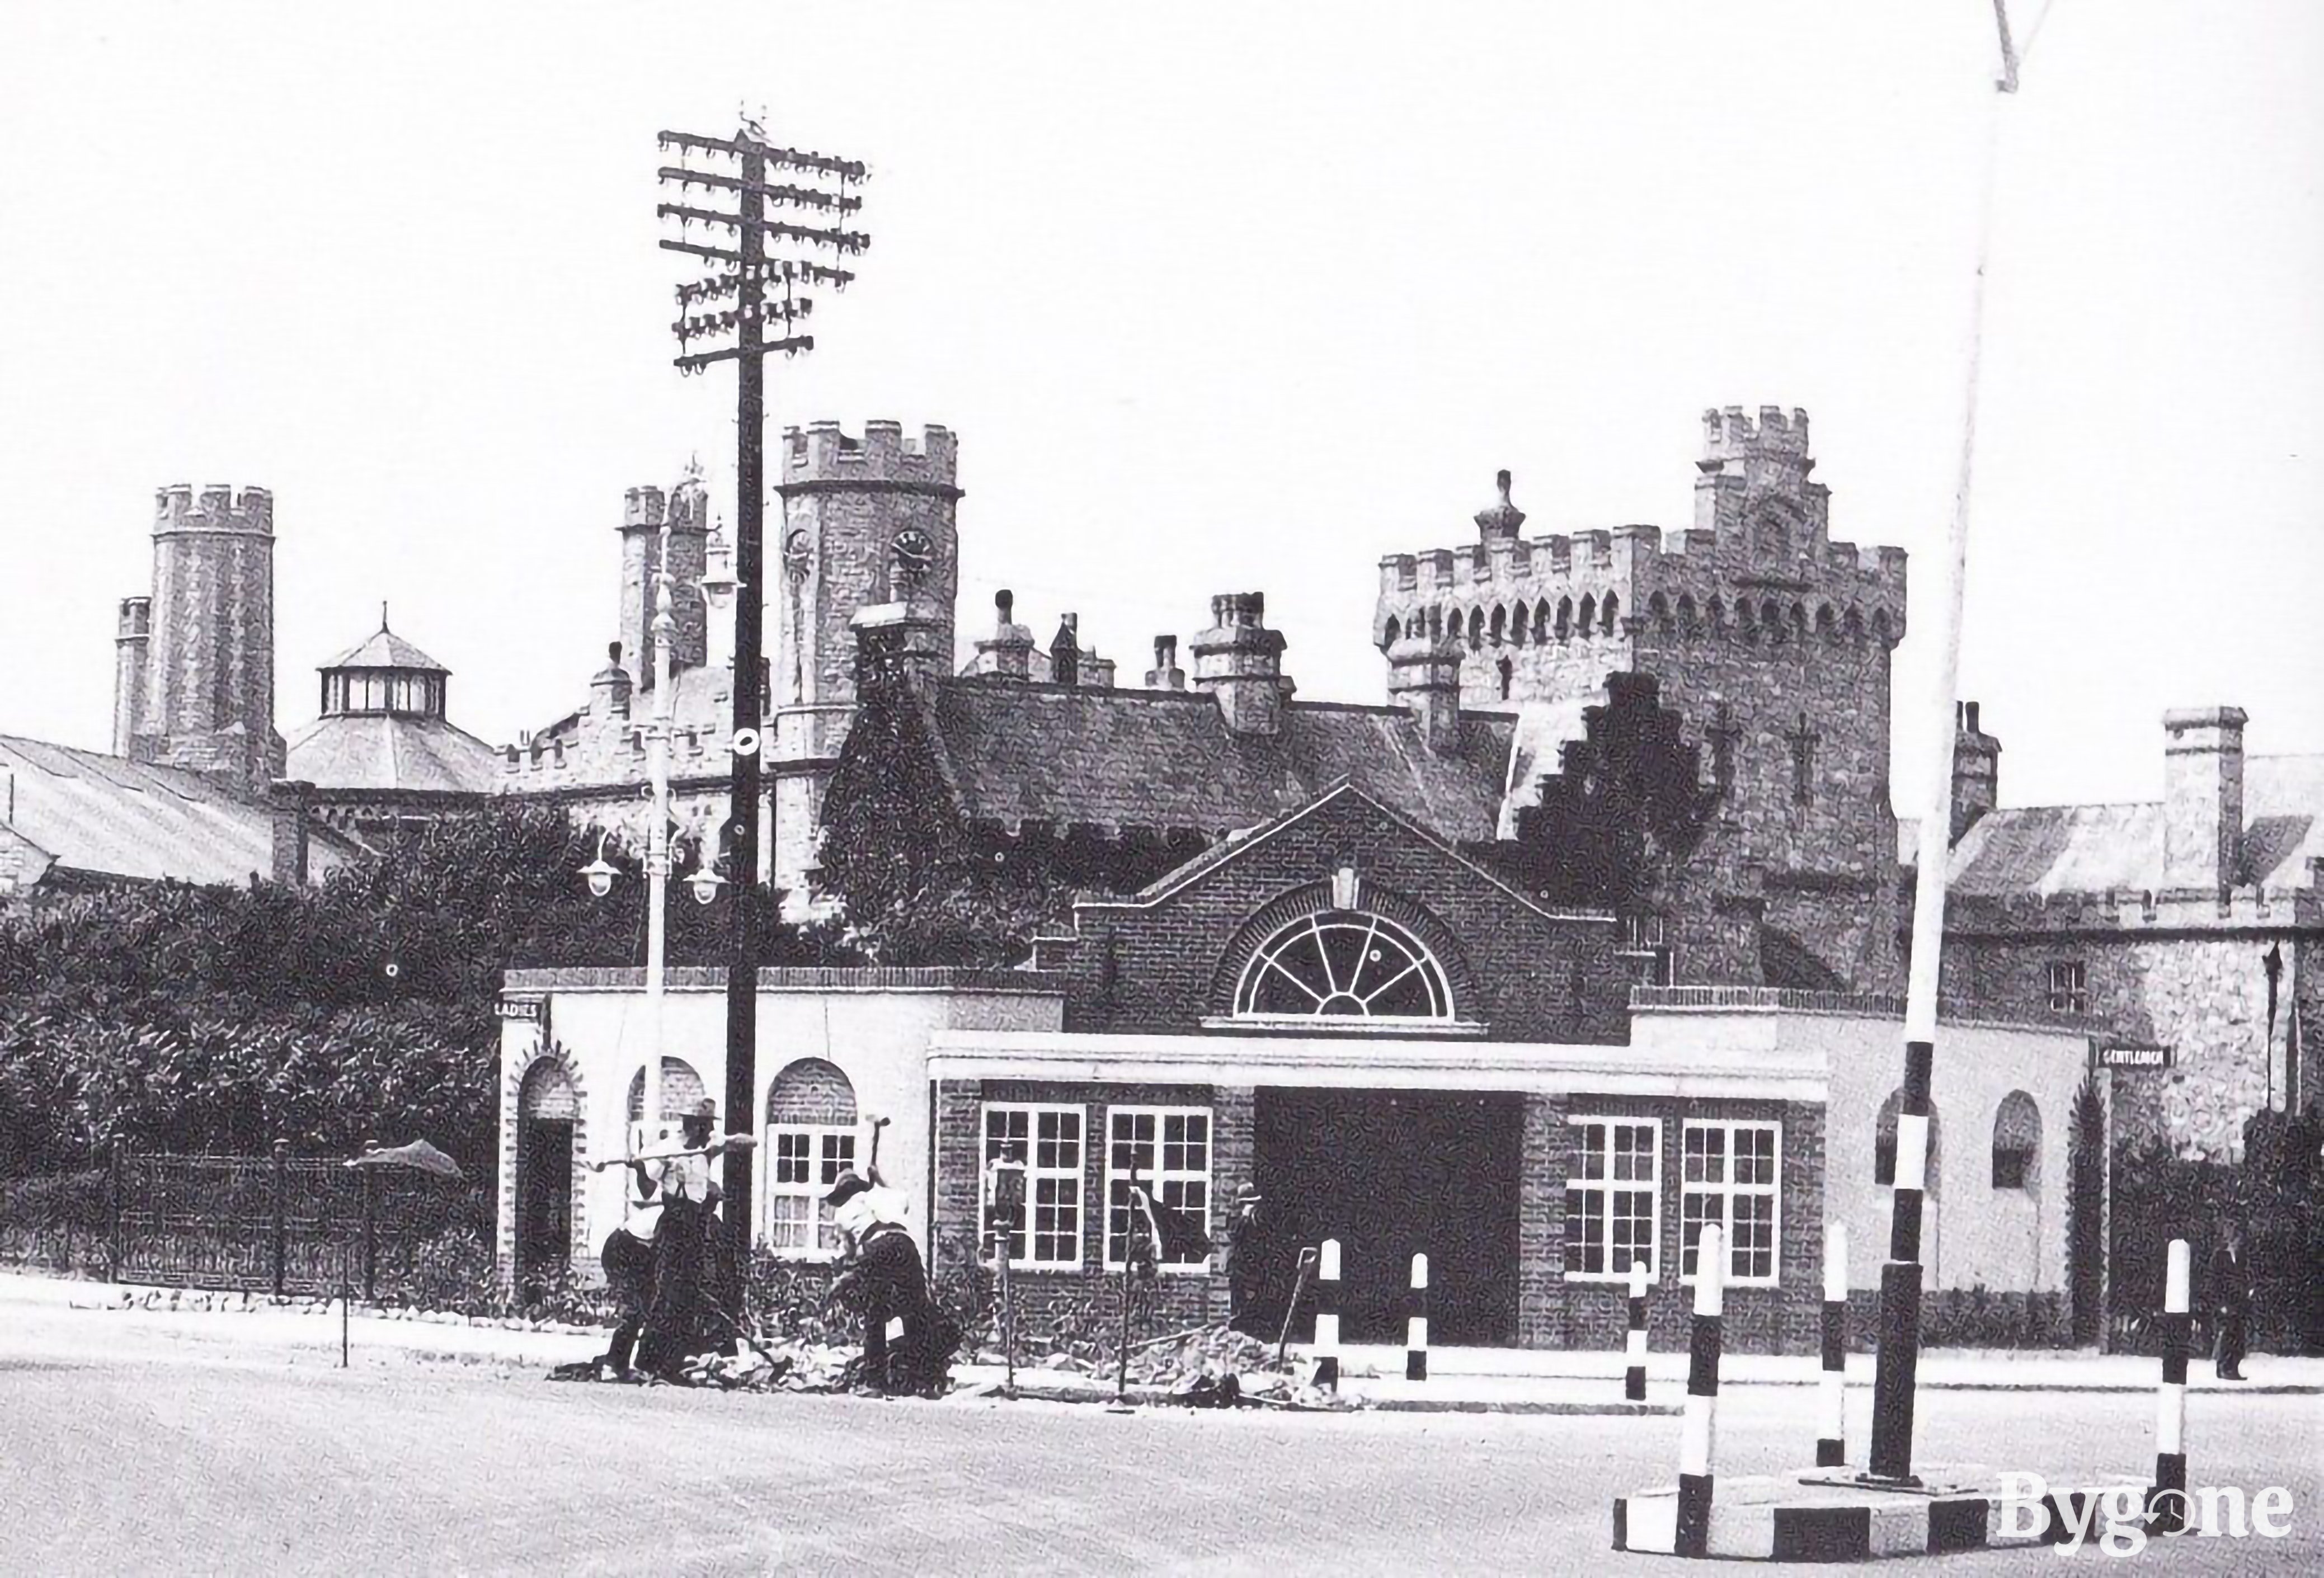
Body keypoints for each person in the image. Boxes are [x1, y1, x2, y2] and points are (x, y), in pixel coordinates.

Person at [827, 1170, 956, 1396]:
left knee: (875, 1315)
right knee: (915, 1309)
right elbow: (901, 1204)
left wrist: (843, 1277)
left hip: (876, 1247)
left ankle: (875, 1381)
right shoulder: (881, 1197)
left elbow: (849, 1252)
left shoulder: (843, 1212)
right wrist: (879, 1179)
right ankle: (924, 1376)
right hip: (905, 1244)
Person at [2209, 1221, 2252, 1381]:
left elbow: (2244, 1277)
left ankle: (2233, 1367)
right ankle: (2223, 1367)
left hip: (2239, 1302)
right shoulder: (2220, 1256)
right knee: (2226, 1335)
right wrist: (2221, 1304)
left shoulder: (2240, 1258)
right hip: (2226, 1302)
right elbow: (2215, 1281)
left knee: (2238, 1336)